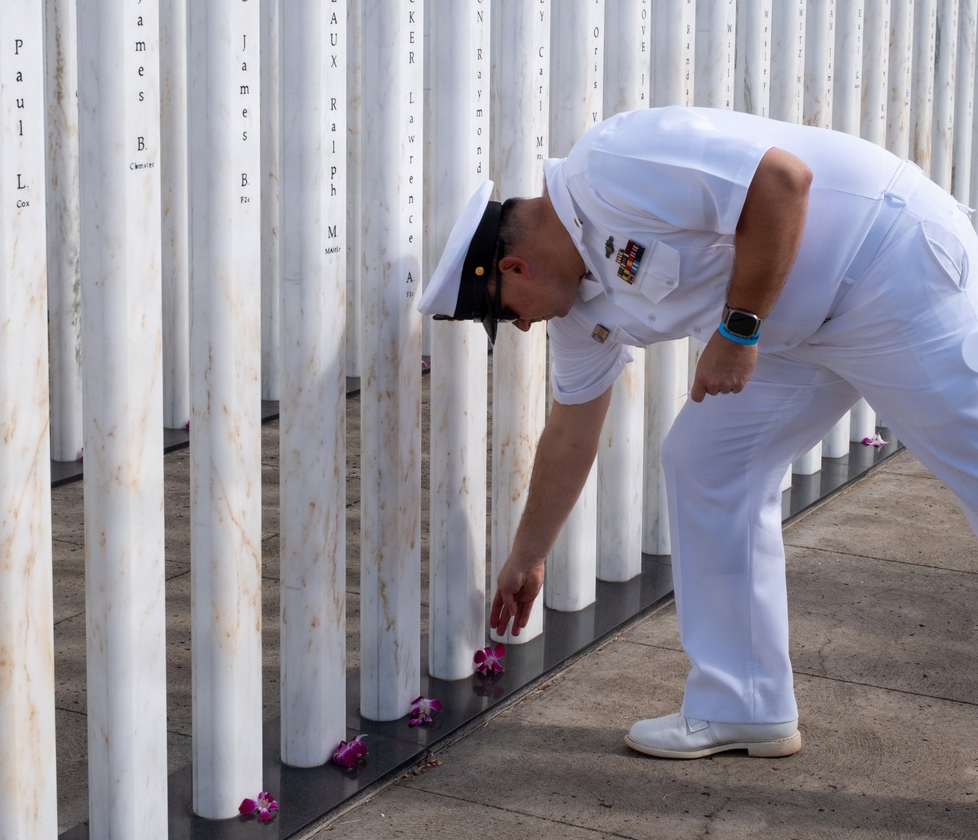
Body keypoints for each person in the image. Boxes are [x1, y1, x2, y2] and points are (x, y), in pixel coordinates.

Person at [419, 105, 978, 759]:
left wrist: (738, 330)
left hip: (889, 269)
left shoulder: (611, 164)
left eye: (507, 316)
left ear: (513, 268)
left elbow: (782, 182)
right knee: (705, 462)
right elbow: (571, 429)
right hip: (798, 330)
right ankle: (742, 702)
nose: (520, 328)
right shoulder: (579, 311)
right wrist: (529, 552)